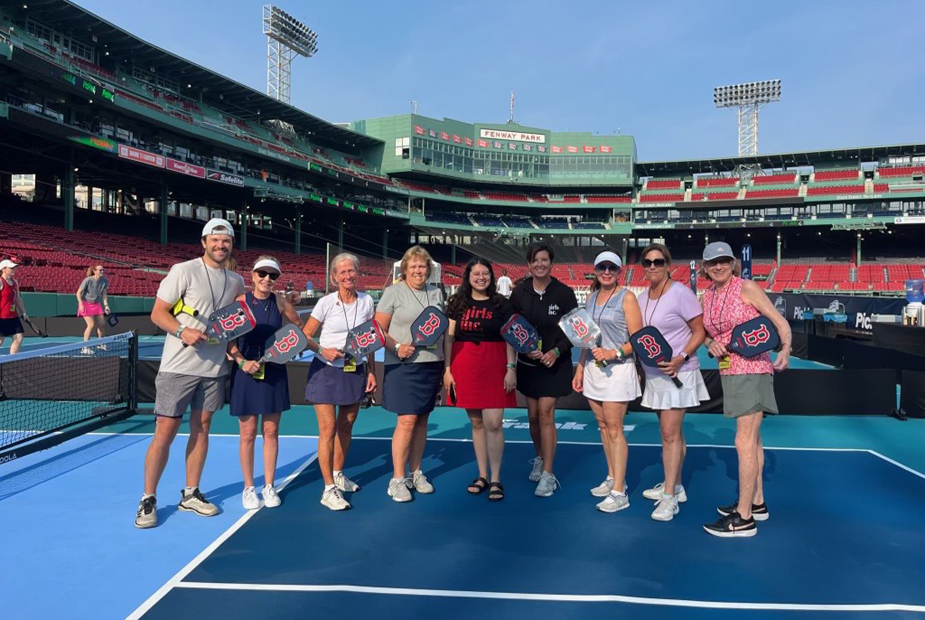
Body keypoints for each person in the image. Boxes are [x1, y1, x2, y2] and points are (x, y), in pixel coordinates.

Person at [135, 218, 246, 529]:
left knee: (202, 428)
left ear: (231, 244)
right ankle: (148, 497)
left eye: (226, 241)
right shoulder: (183, 270)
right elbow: (158, 313)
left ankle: (191, 493)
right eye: (215, 240)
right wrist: (183, 330)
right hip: (178, 368)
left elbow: (238, 320)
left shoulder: (236, 280)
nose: (220, 245)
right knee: (165, 432)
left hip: (214, 369)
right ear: (204, 242)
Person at [699, 241, 791, 538]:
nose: (719, 266)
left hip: (753, 370)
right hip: (729, 371)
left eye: (724, 261)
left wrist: (786, 349)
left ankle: (744, 518)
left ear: (733, 263)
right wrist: (709, 343)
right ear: (704, 267)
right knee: (753, 440)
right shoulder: (707, 297)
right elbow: (705, 335)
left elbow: (778, 322)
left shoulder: (747, 288)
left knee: (744, 441)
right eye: (713, 262)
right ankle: (757, 502)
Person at [635, 244, 709, 522]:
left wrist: (680, 357)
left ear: (667, 264)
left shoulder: (682, 294)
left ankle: (669, 498)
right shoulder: (642, 298)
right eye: (647, 262)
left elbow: (699, 332)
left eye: (658, 261)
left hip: (680, 373)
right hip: (656, 375)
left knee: (669, 433)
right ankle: (676, 487)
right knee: (671, 433)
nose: (652, 266)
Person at [303, 253, 377, 511]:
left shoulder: (367, 301)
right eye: (342, 273)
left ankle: (338, 474)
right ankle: (328, 489)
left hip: (354, 370)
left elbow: (369, 338)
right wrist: (322, 350)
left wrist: (371, 371)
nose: (347, 276)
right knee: (328, 429)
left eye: (351, 271)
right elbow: (306, 336)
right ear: (334, 277)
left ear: (358, 273)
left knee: (346, 426)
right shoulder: (325, 303)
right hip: (324, 371)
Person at [227, 256, 302, 511]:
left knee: (271, 431)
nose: (267, 279)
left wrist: (288, 348)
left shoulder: (280, 302)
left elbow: (298, 327)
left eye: (273, 276)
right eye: (262, 274)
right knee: (247, 433)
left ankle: (269, 485)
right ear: (253, 275)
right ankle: (249, 487)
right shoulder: (239, 302)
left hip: (274, 371)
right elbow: (229, 340)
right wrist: (241, 362)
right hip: (246, 372)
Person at [571, 251, 642, 513]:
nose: (607, 271)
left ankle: (620, 491)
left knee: (614, 428)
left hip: (618, 370)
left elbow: (637, 338)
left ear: (619, 271)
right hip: (593, 368)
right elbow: (586, 338)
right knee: (602, 426)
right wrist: (579, 368)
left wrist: (614, 353)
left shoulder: (628, 297)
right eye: (602, 266)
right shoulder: (590, 298)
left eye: (612, 267)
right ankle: (612, 476)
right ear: (596, 269)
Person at [374, 246, 445, 503]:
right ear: (404, 269)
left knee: (422, 421)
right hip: (403, 365)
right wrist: (397, 347)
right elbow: (378, 330)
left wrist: (445, 363)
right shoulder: (392, 292)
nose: (418, 271)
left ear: (429, 269)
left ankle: (416, 472)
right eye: (413, 266)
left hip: (431, 364)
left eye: (422, 266)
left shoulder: (436, 293)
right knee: (406, 421)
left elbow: (441, 329)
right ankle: (397, 478)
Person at [443, 258, 517, 502]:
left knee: (494, 422)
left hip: (495, 365)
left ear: (491, 277)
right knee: (476, 423)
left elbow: (510, 339)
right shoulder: (456, 303)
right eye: (476, 273)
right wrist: (447, 369)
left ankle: (496, 478)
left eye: (485, 273)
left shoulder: (501, 304)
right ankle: (482, 475)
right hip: (465, 364)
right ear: (468, 276)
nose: (481, 277)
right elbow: (449, 339)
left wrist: (510, 368)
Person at [509, 242, 578, 497]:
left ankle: (548, 474)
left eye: (545, 260)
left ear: (551, 263)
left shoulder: (564, 293)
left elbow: (576, 331)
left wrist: (556, 351)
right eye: (535, 260)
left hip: (555, 364)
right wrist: (523, 349)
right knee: (533, 417)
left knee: (546, 414)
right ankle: (539, 457)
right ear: (529, 264)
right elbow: (511, 329)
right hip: (528, 365)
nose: (540, 264)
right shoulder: (519, 293)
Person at [76, 264, 110, 343]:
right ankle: (85, 347)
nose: (102, 271)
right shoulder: (88, 280)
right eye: (100, 270)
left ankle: (101, 343)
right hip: (85, 303)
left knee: (102, 324)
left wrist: (106, 306)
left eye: (103, 270)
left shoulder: (105, 280)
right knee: (91, 325)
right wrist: (81, 304)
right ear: (94, 271)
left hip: (96, 304)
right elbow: (78, 293)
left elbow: (104, 294)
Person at [0, 259, 27, 354]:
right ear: (3, 269)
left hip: (13, 316)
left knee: (19, 337)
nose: (13, 270)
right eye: (11, 268)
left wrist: (24, 312)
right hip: (1, 317)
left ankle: (12, 360)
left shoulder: (15, 282)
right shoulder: (0, 282)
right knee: (0, 341)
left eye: (14, 268)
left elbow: (18, 299)